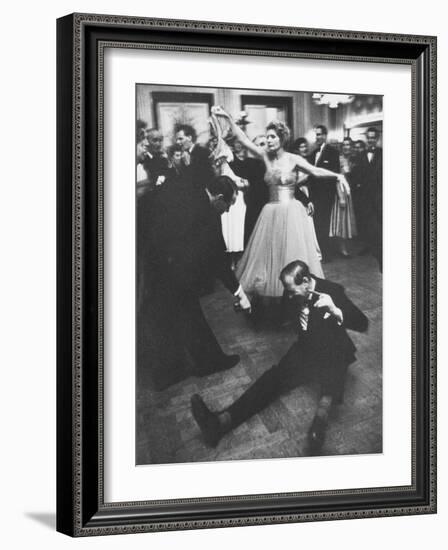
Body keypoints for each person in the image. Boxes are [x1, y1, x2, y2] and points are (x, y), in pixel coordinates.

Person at [191, 260, 368, 453]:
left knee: (329, 390)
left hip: (333, 351)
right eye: (288, 291)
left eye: (292, 291)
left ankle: (319, 426)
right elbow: (278, 315)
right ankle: (220, 422)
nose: (289, 296)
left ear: (307, 282)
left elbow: (362, 323)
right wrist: (250, 309)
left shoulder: (333, 291)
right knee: (271, 380)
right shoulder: (292, 292)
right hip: (305, 350)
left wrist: (335, 310)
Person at [213, 107, 349, 298]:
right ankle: (276, 294)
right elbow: (242, 138)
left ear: (281, 138)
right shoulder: (264, 156)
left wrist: (337, 175)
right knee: (272, 256)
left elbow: (315, 171)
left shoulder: (293, 158)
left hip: (292, 212)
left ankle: (297, 293)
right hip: (270, 212)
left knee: (292, 255)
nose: (268, 140)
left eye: (272, 137)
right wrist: (226, 117)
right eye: (267, 137)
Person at [139, 175, 252, 390]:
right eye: (228, 205)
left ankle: (175, 371)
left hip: (155, 261)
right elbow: (219, 257)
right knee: (179, 314)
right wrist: (239, 293)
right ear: (218, 198)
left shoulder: (191, 190)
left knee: (175, 315)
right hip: (166, 267)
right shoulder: (206, 212)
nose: (227, 211)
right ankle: (204, 364)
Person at [308, 125, 341, 261]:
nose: (318, 137)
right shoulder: (312, 153)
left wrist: (330, 194)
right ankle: (320, 253)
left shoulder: (333, 152)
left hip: (326, 195)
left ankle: (327, 255)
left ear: (325, 136)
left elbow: (334, 174)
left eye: (320, 134)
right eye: (316, 135)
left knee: (324, 225)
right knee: (316, 224)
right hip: (314, 195)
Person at [351, 129, 383, 269]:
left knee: (378, 222)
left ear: (377, 139)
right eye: (368, 138)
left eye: (373, 138)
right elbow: (356, 174)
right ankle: (368, 246)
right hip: (364, 196)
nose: (370, 140)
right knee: (365, 222)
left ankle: (379, 249)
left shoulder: (384, 153)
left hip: (378, 195)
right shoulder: (361, 155)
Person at [329, 137, 357, 257]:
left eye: (349, 145)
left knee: (347, 221)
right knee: (341, 221)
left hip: (350, 192)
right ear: (342, 146)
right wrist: (341, 197)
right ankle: (341, 248)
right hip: (341, 191)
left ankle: (344, 247)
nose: (347, 147)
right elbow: (336, 179)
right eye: (344, 145)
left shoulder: (352, 159)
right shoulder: (339, 159)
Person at [175, 123, 215, 192]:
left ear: (189, 138)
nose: (178, 142)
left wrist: (189, 165)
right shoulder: (182, 155)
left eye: (180, 139)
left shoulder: (203, 152)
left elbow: (206, 177)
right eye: (177, 139)